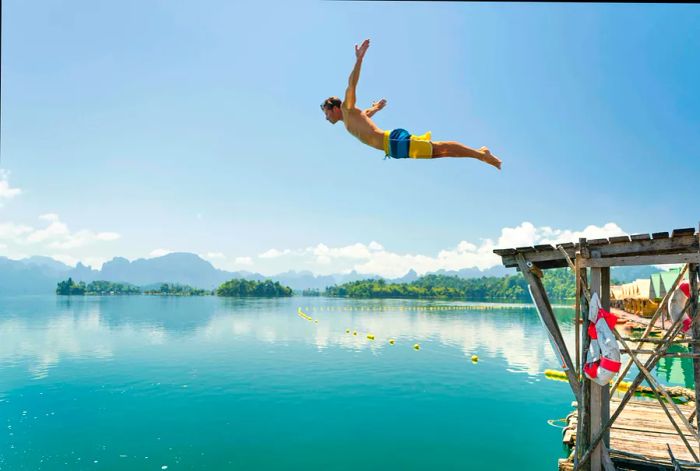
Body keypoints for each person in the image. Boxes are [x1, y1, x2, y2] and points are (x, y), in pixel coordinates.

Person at [321, 39, 501, 169]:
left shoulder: (347, 107)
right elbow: (365, 115)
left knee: (439, 148)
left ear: (335, 108)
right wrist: (376, 108)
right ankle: (479, 153)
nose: (326, 117)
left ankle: (480, 154)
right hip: (392, 149)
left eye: (327, 112)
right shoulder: (348, 118)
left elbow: (351, 84)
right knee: (439, 152)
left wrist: (359, 60)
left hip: (391, 141)